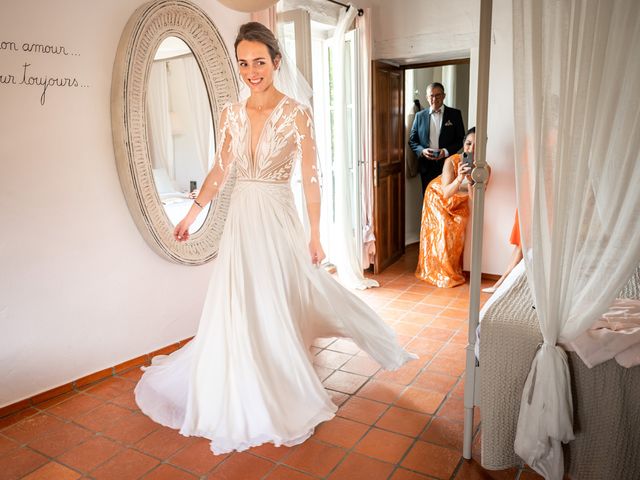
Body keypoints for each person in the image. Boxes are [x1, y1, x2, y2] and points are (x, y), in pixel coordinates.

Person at [134, 22, 416, 455]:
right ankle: (243, 377)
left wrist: (316, 234)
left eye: (259, 62)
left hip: (278, 217)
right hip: (242, 220)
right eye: (244, 63)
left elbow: (311, 179)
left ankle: (278, 378)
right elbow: (218, 172)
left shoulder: (296, 112)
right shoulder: (230, 113)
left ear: (276, 62)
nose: (251, 71)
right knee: (240, 299)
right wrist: (192, 213)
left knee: (275, 296)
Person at [415, 127, 489, 287]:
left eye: (477, 145)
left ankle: (452, 269)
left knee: (459, 226)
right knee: (443, 227)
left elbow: (474, 198)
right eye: (468, 144)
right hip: (438, 195)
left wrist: (470, 179)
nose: (472, 149)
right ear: (464, 144)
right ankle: (438, 272)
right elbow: (447, 192)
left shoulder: (485, 170)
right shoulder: (452, 161)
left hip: (458, 202)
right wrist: (460, 177)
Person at [409, 82, 466, 195]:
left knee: (447, 198)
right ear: (427, 97)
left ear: (444, 96)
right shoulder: (419, 116)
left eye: (438, 95)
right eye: (431, 96)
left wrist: (445, 152)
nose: (434, 99)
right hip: (426, 166)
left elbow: (461, 139)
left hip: (448, 165)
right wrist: (422, 151)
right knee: (429, 197)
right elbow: (412, 140)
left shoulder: (455, 114)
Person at [482, 210, 523, 293]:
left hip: (529, 210)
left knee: (520, 250)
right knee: (518, 248)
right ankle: (501, 283)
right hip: (524, 209)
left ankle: (500, 283)